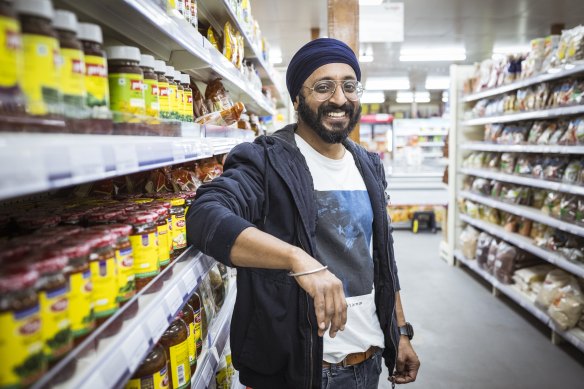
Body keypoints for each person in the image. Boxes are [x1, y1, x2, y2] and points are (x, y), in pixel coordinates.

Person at [187, 37, 420, 389]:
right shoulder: (265, 161)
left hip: (368, 360)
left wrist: (400, 332)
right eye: (323, 87)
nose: (339, 99)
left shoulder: (368, 165)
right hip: (301, 370)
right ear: (297, 98)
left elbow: (383, 258)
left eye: (349, 85)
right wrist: (298, 259)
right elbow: (205, 214)